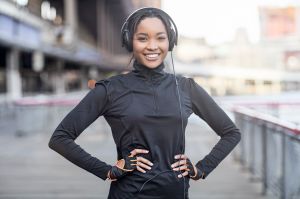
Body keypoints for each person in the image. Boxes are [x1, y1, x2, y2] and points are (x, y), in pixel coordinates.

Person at [48, 7, 241, 199]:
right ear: (129, 41)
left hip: (176, 194)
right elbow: (60, 138)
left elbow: (231, 133)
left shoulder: (186, 87)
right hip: (128, 194)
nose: (152, 46)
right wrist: (107, 171)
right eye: (142, 38)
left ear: (170, 42)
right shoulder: (110, 89)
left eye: (160, 38)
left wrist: (201, 169)